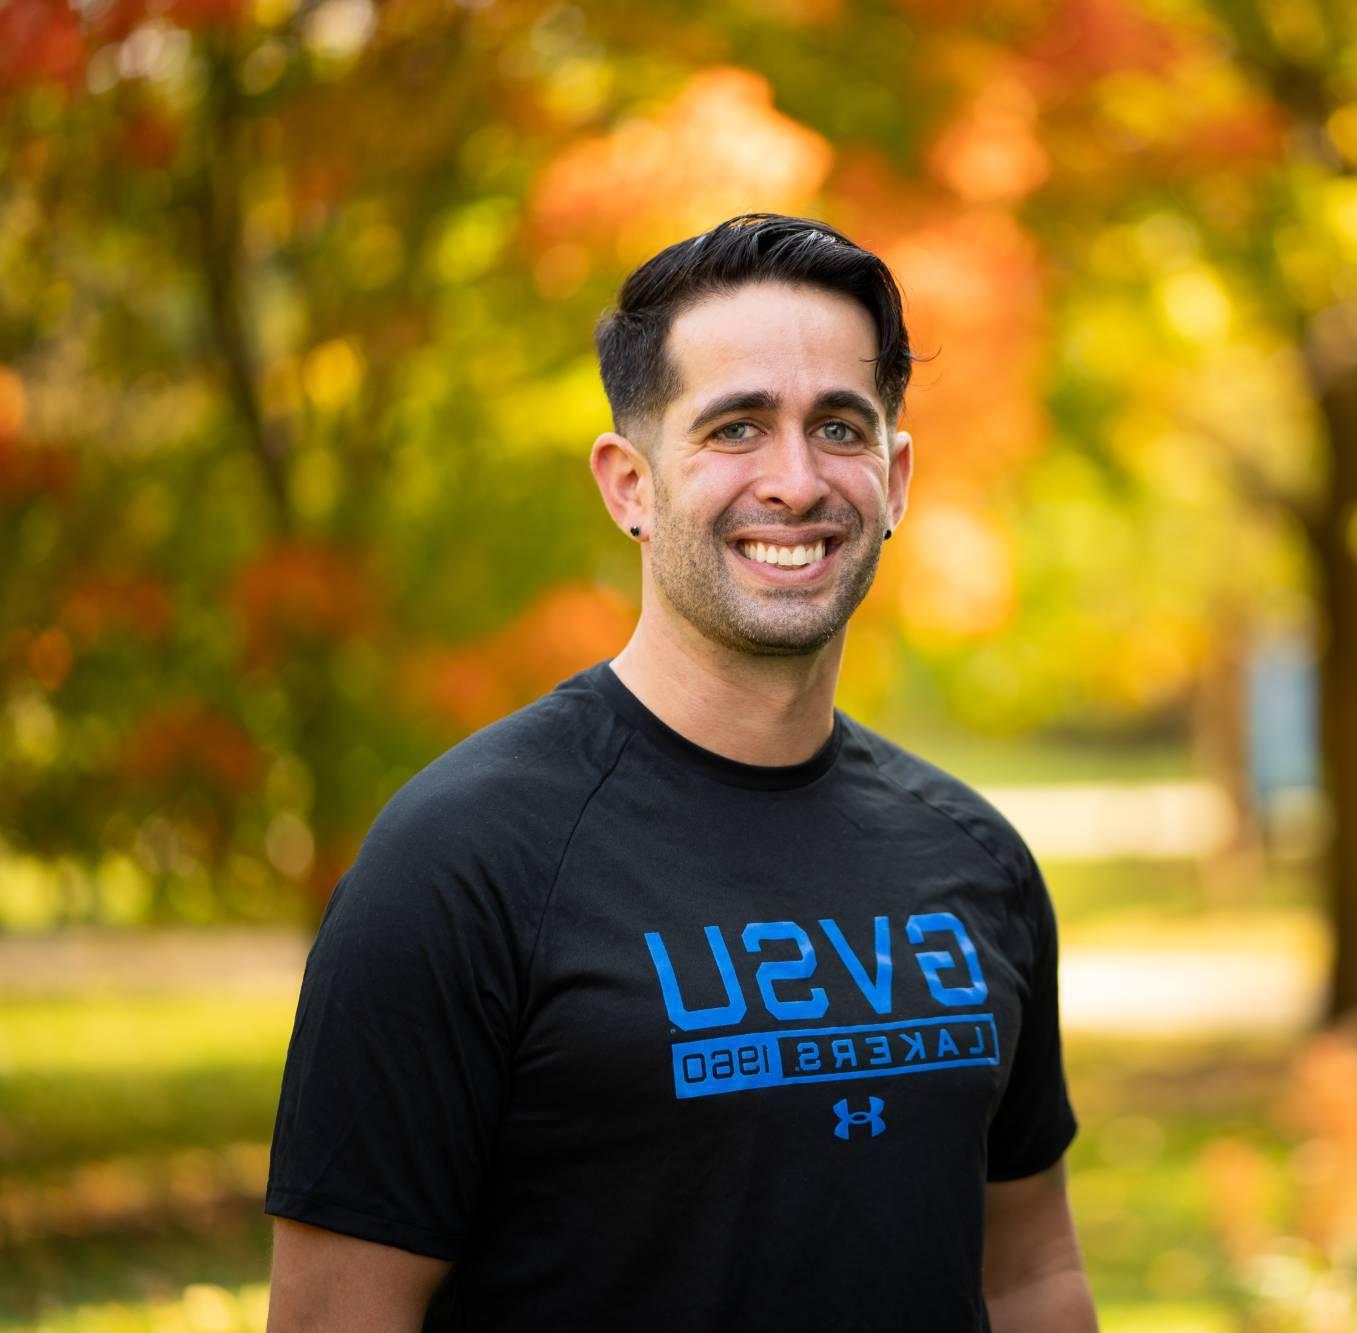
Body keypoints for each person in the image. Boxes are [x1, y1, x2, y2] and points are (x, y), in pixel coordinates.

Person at [263, 213, 1096, 1332]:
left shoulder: (973, 857)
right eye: (736, 428)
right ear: (630, 485)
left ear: (894, 479)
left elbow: (1029, 1275)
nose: (795, 482)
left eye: (839, 428)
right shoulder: (458, 864)